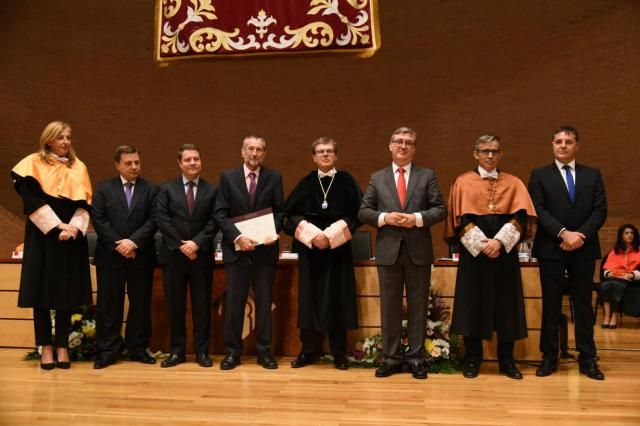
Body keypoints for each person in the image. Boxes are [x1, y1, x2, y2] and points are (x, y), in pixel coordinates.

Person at [445, 135, 537, 379]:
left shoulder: (514, 183)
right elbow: (459, 220)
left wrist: (499, 242)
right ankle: (472, 359)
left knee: (507, 306)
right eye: (485, 151)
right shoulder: (462, 182)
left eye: (495, 151)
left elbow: (520, 217)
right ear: (475, 154)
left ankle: (507, 361)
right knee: (472, 306)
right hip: (474, 255)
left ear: (500, 154)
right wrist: (483, 244)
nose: (490, 155)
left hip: (504, 254)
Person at [358, 126, 447, 379]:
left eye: (408, 142)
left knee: (419, 306)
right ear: (390, 145)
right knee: (389, 307)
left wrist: (416, 219)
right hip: (388, 252)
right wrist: (385, 217)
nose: (403, 146)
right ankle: (392, 357)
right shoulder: (378, 178)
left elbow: (440, 209)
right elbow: (364, 211)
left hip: (418, 251)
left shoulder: (427, 175)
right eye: (398, 141)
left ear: (414, 148)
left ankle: (417, 358)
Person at [11, 121, 93, 370]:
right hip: (43, 236)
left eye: (69, 137)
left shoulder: (79, 167)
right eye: (61, 138)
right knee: (42, 295)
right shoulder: (32, 164)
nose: (66, 142)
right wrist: (58, 226)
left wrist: (74, 228)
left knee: (66, 295)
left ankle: (62, 346)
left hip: (70, 239)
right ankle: (45, 346)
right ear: (49, 140)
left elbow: (85, 203)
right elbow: (30, 201)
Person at [528, 126, 607, 380]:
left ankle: (588, 358)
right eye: (558, 141)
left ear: (577, 146)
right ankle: (549, 356)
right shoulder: (539, 174)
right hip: (552, 247)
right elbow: (538, 209)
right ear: (552, 145)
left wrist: (579, 235)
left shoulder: (592, 174)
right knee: (551, 304)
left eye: (568, 141)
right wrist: (563, 233)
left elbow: (600, 210)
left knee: (582, 305)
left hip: (583, 248)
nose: (563, 145)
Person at [284, 137, 361, 370]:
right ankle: (308, 351)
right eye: (321, 151)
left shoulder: (347, 181)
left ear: (336, 156)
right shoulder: (306, 182)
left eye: (329, 151)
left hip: (337, 250)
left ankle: (338, 353)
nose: (325, 155)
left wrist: (330, 236)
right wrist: (313, 235)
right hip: (311, 251)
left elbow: (358, 215)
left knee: (338, 299)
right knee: (309, 300)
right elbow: (290, 215)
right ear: (314, 157)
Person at [215, 135, 284, 370]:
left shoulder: (274, 177)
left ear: (264, 154)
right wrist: (239, 237)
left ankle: (265, 352)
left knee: (264, 303)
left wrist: (271, 232)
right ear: (242, 151)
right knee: (234, 303)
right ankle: (233, 352)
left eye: (260, 150)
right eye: (251, 149)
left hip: (265, 251)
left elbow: (280, 212)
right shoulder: (228, 177)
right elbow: (220, 214)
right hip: (237, 251)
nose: (255, 153)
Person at [91, 145, 158, 369]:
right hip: (110, 256)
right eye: (129, 163)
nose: (134, 167)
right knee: (109, 305)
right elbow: (98, 219)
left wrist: (133, 242)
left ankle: (137, 348)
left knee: (140, 304)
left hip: (141, 255)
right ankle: (108, 350)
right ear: (117, 165)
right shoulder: (104, 188)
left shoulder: (150, 189)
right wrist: (118, 244)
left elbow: (153, 220)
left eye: (137, 162)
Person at [156, 144, 218, 368]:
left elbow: (214, 221)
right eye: (188, 159)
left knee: (202, 306)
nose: (193, 163)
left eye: (196, 159)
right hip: (174, 256)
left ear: (201, 162)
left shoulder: (212, 191)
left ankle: (202, 352)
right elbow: (162, 219)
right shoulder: (166, 189)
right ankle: (177, 351)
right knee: (175, 305)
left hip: (201, 257)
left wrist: (196, 243)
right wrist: (182, 245)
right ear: (180, 163)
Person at [600, 224, 640, 328]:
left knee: (616, 284)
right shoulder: (615, 251)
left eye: (632, 233)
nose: (629, 235)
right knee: (607, 284)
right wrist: (608, 273)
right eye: (626, 233)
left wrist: (631, 275)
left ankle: (614, 316)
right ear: (621, 235)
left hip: (633, 279)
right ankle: (607, 316)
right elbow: (605, 268)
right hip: (616, 277)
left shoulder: (639, 250)